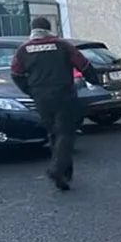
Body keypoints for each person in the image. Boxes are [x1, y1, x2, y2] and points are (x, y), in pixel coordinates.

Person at [9, 17, 101, 191]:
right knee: (66, 132)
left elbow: (15, 73)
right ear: (48, 28)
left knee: (53, 133)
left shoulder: (23, 50)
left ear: (32, 29)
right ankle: (58, 169)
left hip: (40, 96)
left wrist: (29, 90)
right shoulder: (62, 45)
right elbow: (83, 63)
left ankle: (65, 172)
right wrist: (94, 80)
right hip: (63, 93)